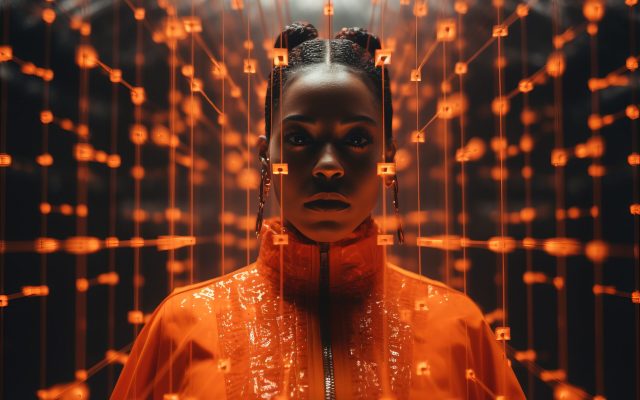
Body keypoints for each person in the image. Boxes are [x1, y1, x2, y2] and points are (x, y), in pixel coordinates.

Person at [111, 22, 525, 400]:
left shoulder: (458, 327)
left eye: (357, 139)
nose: (329, 166)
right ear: (265, 156)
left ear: (389, 158)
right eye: (299, 137)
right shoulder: (181, 325)